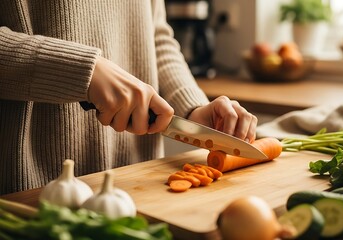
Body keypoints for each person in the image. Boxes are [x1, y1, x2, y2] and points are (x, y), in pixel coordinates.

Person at [0, 0, 257, 195]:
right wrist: (79, 69)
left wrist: (193, 109)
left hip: (137, 183)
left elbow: (156, 36)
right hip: (31, 190)